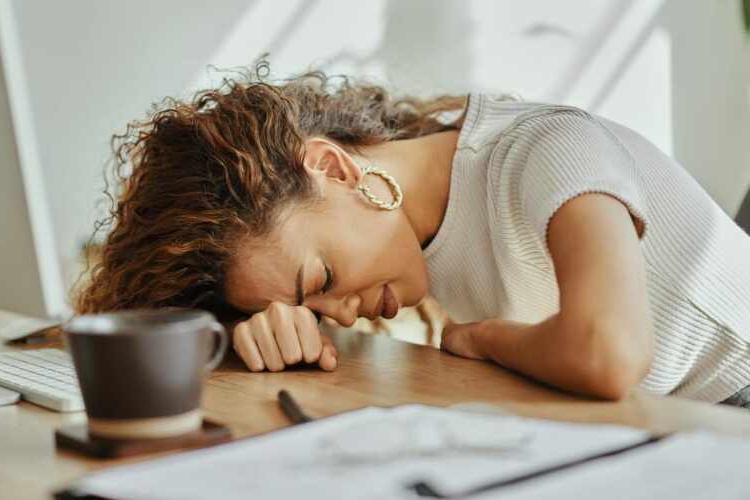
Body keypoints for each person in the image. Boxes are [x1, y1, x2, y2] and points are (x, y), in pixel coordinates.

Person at [75, 61, 750, 406]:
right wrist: (273, 330)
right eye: (311, 305)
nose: (339, 312)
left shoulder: (547, 152)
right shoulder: (422, 236)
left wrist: (478, 339)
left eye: (321, 285)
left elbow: (609, 355)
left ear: (334, 166)